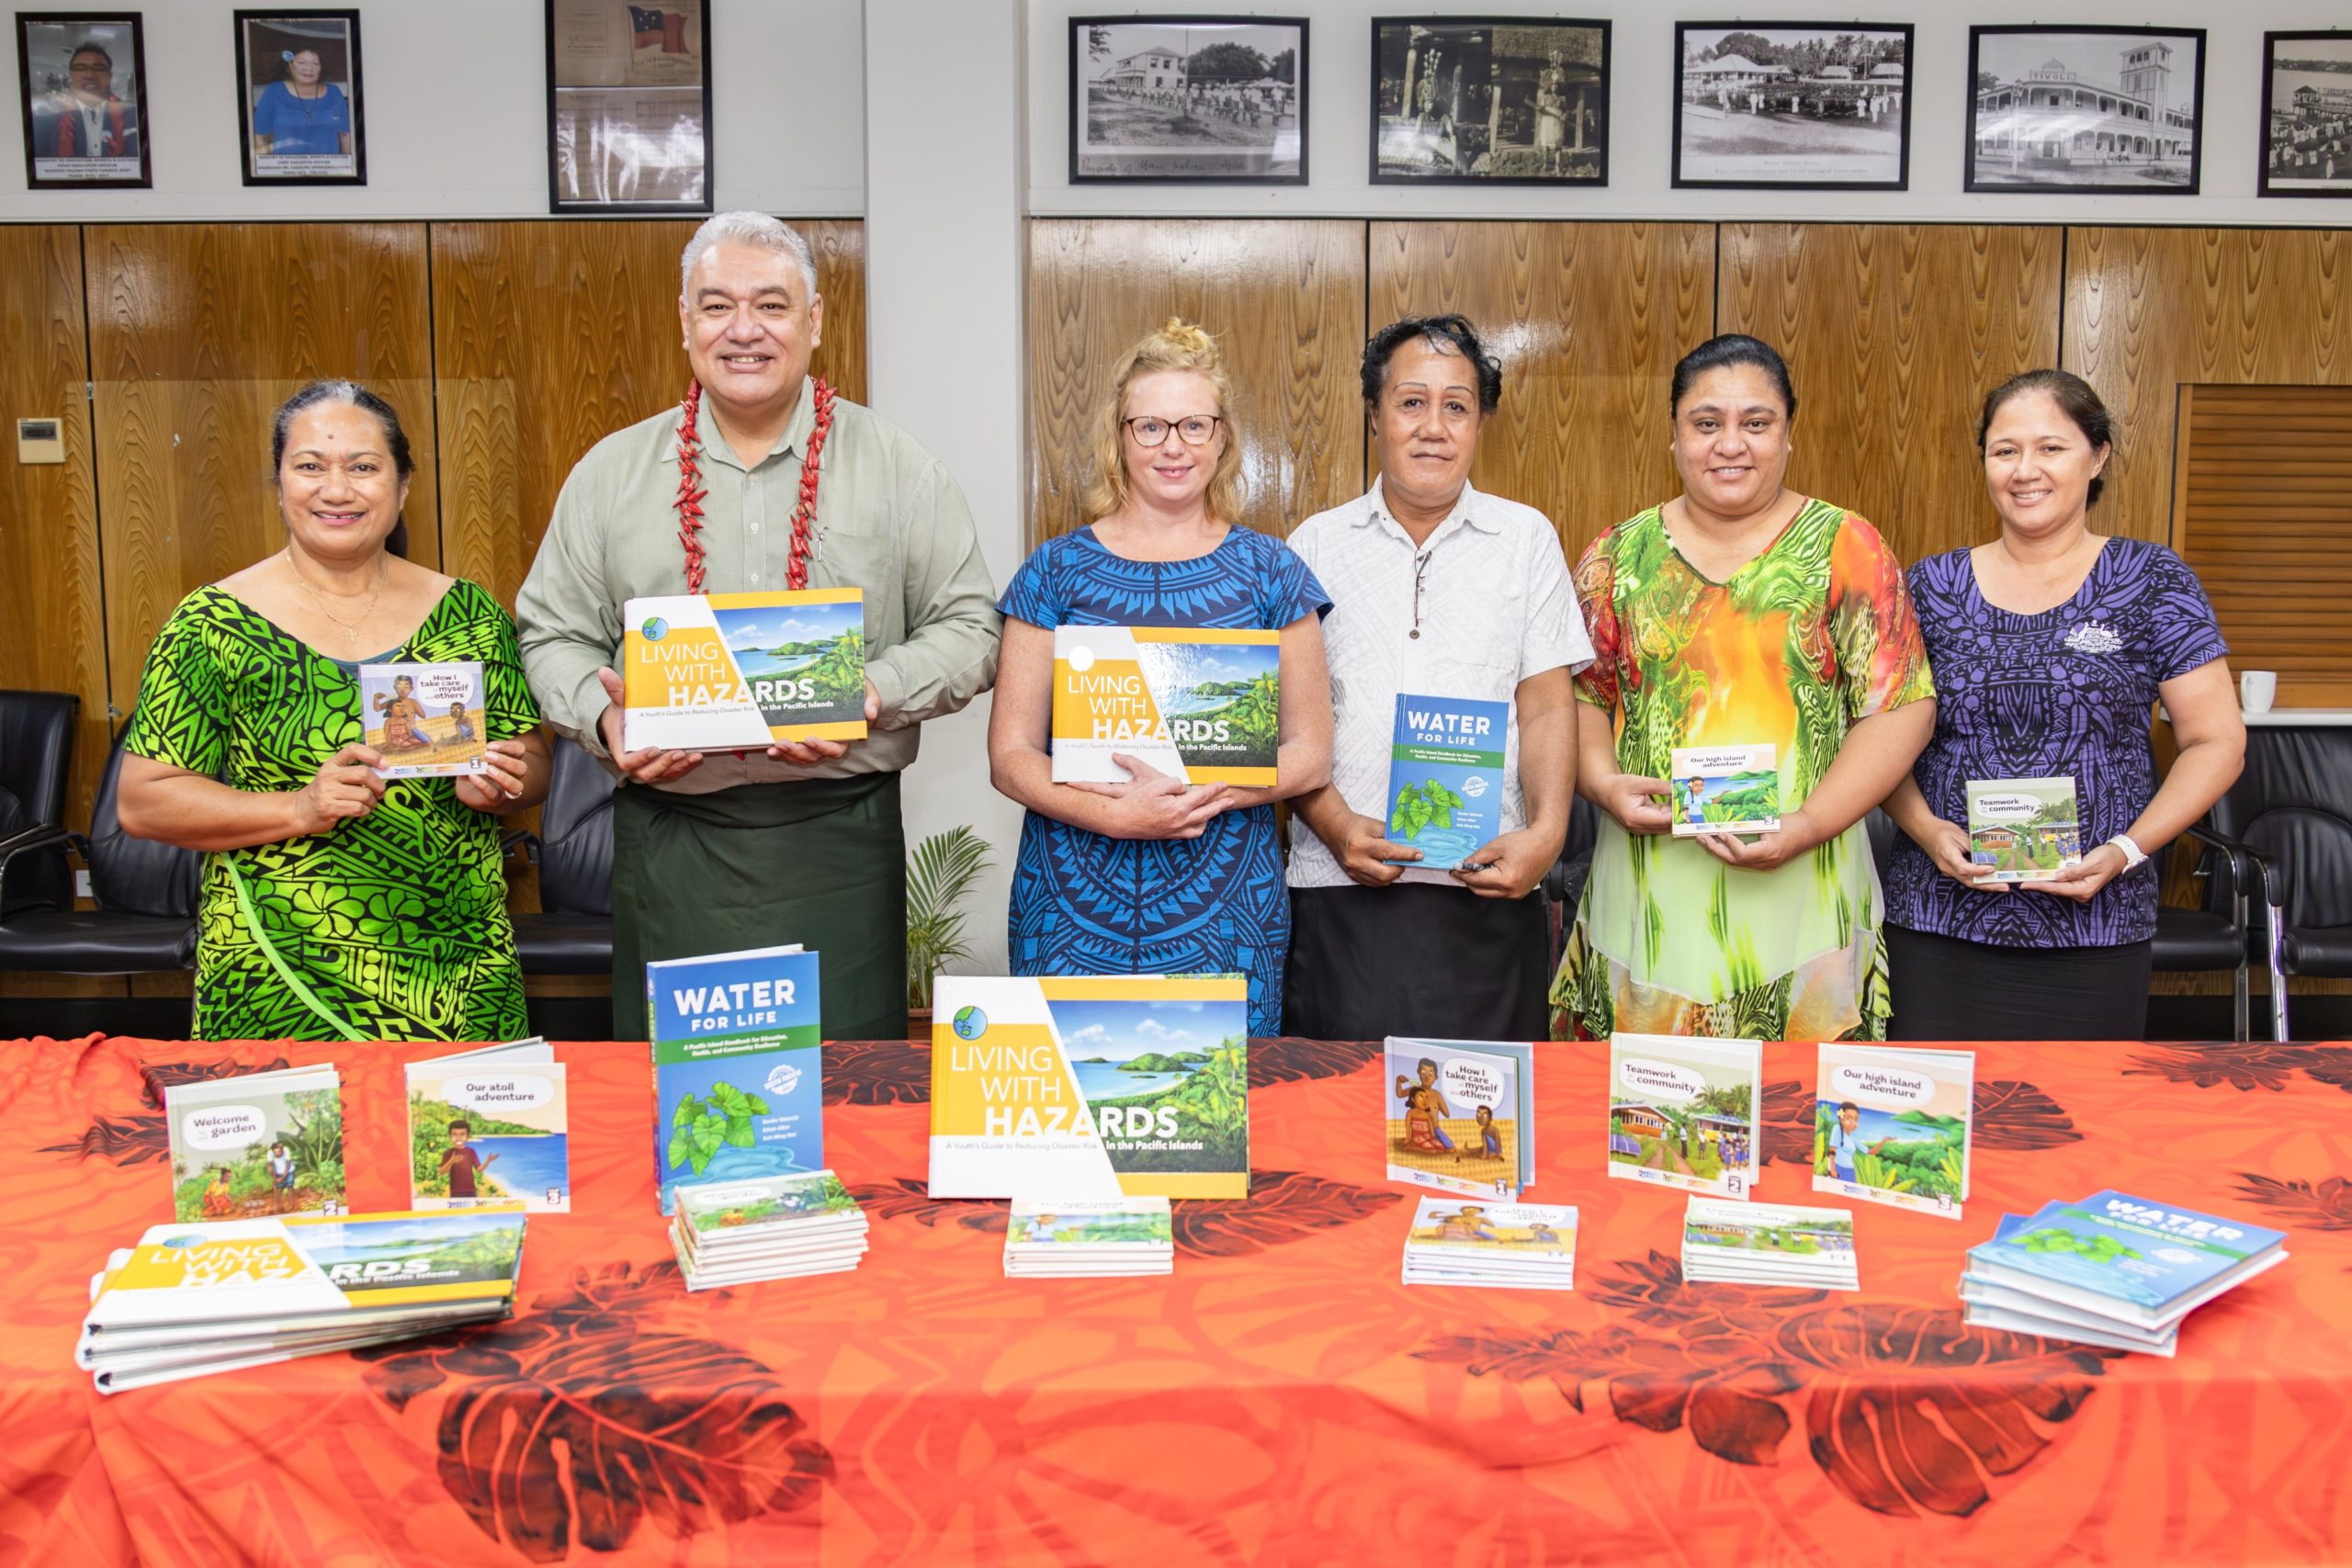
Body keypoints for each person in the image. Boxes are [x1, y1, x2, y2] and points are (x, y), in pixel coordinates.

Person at [517, 212, 1000, 1039]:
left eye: (772, 306)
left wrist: (865, 691)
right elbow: (550, 633)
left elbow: (971, 627)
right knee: (681, 1110)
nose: (744, 330)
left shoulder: (898, 467)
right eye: (717, 306)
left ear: (814, 321)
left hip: (837, 840)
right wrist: (605, 717)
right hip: (671, 841)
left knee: (844, 1105)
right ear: (684, 321)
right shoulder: (611, 474)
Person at [118, 381, 549, 1042]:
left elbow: (534, 763)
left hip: (458, 975)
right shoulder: (212, 625)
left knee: (464, 1146)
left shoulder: (469, 616)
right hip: (276, 978)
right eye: (311, 465)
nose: (336, 489)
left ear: (403, 486)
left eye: (363, 466)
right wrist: (299, 808)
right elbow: (144, 802)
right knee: (301, 1149)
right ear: (280, 481)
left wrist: (502, 782)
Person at [1551, 334, 1936, 1042]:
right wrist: (1603, 784)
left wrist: (1809, 824)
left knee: (1803, 1120)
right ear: (1673, 437)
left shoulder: (1847, 546)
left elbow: (1900, 706)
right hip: (1651, 883)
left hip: (1805, 881)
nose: (1732, 443)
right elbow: (1579, 698)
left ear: (1788, 435)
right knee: (1648, 1123)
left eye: (1756, 423)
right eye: (1707, 423)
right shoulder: (1615, 556)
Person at [988, 320, 1331, 1036]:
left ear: (1223, 438)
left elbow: (1309, 751)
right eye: (1149, 426)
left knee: (1223, 1124)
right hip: (1072, 901)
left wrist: (1198, 798)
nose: (1172, 445)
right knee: (1073, 1126)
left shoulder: (1273, 573)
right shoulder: (1054, 570)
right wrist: (1118, 815)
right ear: (1119, 438)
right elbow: (1011, 755)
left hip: (1226, 905)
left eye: (1192, 424)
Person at [1882, 369, 2244, 1040]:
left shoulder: (2152, 579)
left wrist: (2127, 849)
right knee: (1936, 1135)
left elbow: (2217, 741)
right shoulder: (1929, 585)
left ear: (2097, 455)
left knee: (2083, 1130)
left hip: (2096, 921)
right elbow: (1875, 737)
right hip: (1936, 918)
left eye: (2051, 447)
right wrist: (1928, 831)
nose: (2026, 470)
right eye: (2005, 449)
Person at [1283, 316, 1589, 1041]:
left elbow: (1548, 709)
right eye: (1411, 402)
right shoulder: (1313, 545)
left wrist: (1544, 836)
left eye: (1457, 405)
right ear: (1375, 416)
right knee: (1339, 1126)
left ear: (1481, 422)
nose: (1433, 427)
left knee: (1480, 1133)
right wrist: (1332, 825)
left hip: (1487, 888)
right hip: (1339, 886)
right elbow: (1289, 723)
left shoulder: (1526, 540)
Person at [33, 39, 139, 160]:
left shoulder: (132, 114)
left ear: (109, 77)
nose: (89, 74)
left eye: (99, 68)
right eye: (81, 68)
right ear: (71, 75)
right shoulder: (47, 117)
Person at [249, 46, 351, 159]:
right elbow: (260, 136)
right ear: (289, 66)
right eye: (302, 62)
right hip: (285, 170)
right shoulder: (274, 91)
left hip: (327, 170)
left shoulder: (334, 92)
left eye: (315, 63)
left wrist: (347, 168)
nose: (309, 68)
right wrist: (267, 170)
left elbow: (345, 135)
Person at [439, 1119, 497, 1199]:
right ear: (450, 1136)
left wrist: (488, 1161)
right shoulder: (448, 1153)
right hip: (455, 1193)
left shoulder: (471, 1151)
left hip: (471, 1192)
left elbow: (479, 1169)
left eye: (462, 1134)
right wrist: (451, 1161)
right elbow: (441, 1172)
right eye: (455, 1134)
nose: (458, 1138)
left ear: (467, 1137)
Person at [374, 672, 430, 751]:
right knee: (420, 743)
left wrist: (411, 713)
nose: (402, 689)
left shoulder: (413, 702)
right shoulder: (392, 702)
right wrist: (376, 698)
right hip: (398, 732)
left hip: (412, 730)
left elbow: (423, 715)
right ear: (395, 687)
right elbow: (377, 708)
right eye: (399, 686)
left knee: (426, 741)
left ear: (411, 688)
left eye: (406, 686)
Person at [1825, 1100, 1868, 1180]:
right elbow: (1832, 1150)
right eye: (1849, 1118)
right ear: (1841, 1118)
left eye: (1856, 1120)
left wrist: (1884, 1141)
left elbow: (1868, 1151)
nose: (1853, 1123)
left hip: (1851, 1170)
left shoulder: (1853, 1138)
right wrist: (1833, 1170)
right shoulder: (1837, 1129)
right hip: (1839, 1168)